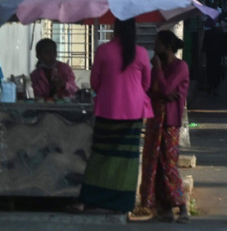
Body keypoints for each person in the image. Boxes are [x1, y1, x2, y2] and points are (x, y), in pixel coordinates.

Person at [76, 17, 153, 213]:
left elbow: (94, 83)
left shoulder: (103, 50)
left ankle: (94, 199)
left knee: (101, 154)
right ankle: (122, 202)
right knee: (127, 158)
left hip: (107, 109)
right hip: (134, 113)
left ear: (114, 29)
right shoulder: (142, 53)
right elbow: (146, 85)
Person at [139, 30, 190, 223]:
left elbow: (167, 89)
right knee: (154, 163)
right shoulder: (157, 68)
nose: (154, 48)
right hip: (155, 119)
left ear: (167, 47)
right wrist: (161, 92)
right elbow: (151, 91)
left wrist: (159, 73)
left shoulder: (180, 67)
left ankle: (182, 206)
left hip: (169, 122)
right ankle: (163, 207)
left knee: (169, 164)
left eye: (158, 44)